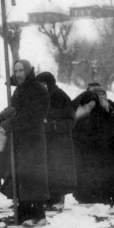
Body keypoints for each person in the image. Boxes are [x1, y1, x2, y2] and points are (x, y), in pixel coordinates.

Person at [0, 60, 50, 226]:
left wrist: (11, 122)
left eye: (21, 70)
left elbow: (33, 117)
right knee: (21, 176)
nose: (18, 74)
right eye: (16, 71)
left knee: (33, 177)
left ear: (28, 71)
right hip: (19, 140)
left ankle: (38, 215)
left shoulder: (38, 90)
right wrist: (4, 116)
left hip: (33, 140)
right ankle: (24, 212)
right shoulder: (18, 90)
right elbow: (14, 112)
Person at [35, 72, 76, 212]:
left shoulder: (60, 96)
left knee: (58, 171)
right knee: (45, 171)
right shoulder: (37, 97)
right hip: (43, 140)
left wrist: (53, 124)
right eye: (39, 84)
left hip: (59, 142)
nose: (42, 87)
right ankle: (47, 200)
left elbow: (71, 120)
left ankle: (58, 200)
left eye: (45, 84)